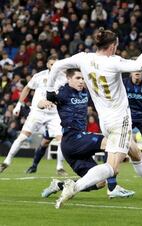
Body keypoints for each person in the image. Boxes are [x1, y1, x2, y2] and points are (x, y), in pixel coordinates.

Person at [46, 28, 142, 208]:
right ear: (112, 46)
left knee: (135, 154)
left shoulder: (83, 58)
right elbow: (140, 65)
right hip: (121, 121)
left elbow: (56, 65)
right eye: (116, 45)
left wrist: (49, 91)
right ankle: (73, 187)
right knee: (112, 168)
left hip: (105, 121)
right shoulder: (113, 62)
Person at [40, 68, 135, 199]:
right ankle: (113, 188)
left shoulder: (85, 91)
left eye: (83, 78)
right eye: (78, 78)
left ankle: (59, 185)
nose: (81, 81)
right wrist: (44, 103)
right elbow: (41, 102)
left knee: (100, 182)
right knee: (111, 142)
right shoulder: (63, 92)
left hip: (80, 143)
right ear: (69, 79)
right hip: (72, 140)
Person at [0, 55, 67, 176]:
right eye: (52, 64)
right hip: (37, 112)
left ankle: (59, 167)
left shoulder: (63, 78)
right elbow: (27, 88)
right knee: (23, 137)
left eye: (56, 64)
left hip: (54, 114)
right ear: (47, 65)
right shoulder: (39, 76)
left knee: (61, 139)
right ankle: (6, 161)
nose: (54, 66)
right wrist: (19, 105)